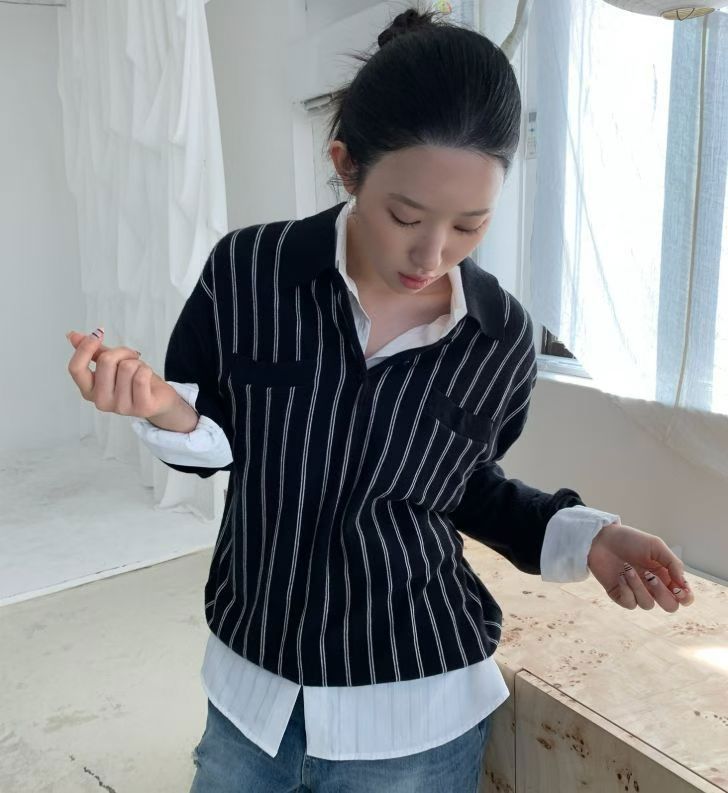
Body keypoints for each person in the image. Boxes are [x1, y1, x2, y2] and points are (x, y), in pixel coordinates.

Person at [65, 8, 695, 792]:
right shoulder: (248, 273)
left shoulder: (499, 336)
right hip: (250, 692)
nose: (433, 253)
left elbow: (463, 487)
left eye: (470, 225)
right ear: (347, 166)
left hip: (418, 709)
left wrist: (587, 536)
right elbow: (217, 442)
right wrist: (162, 409)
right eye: (406, 216)